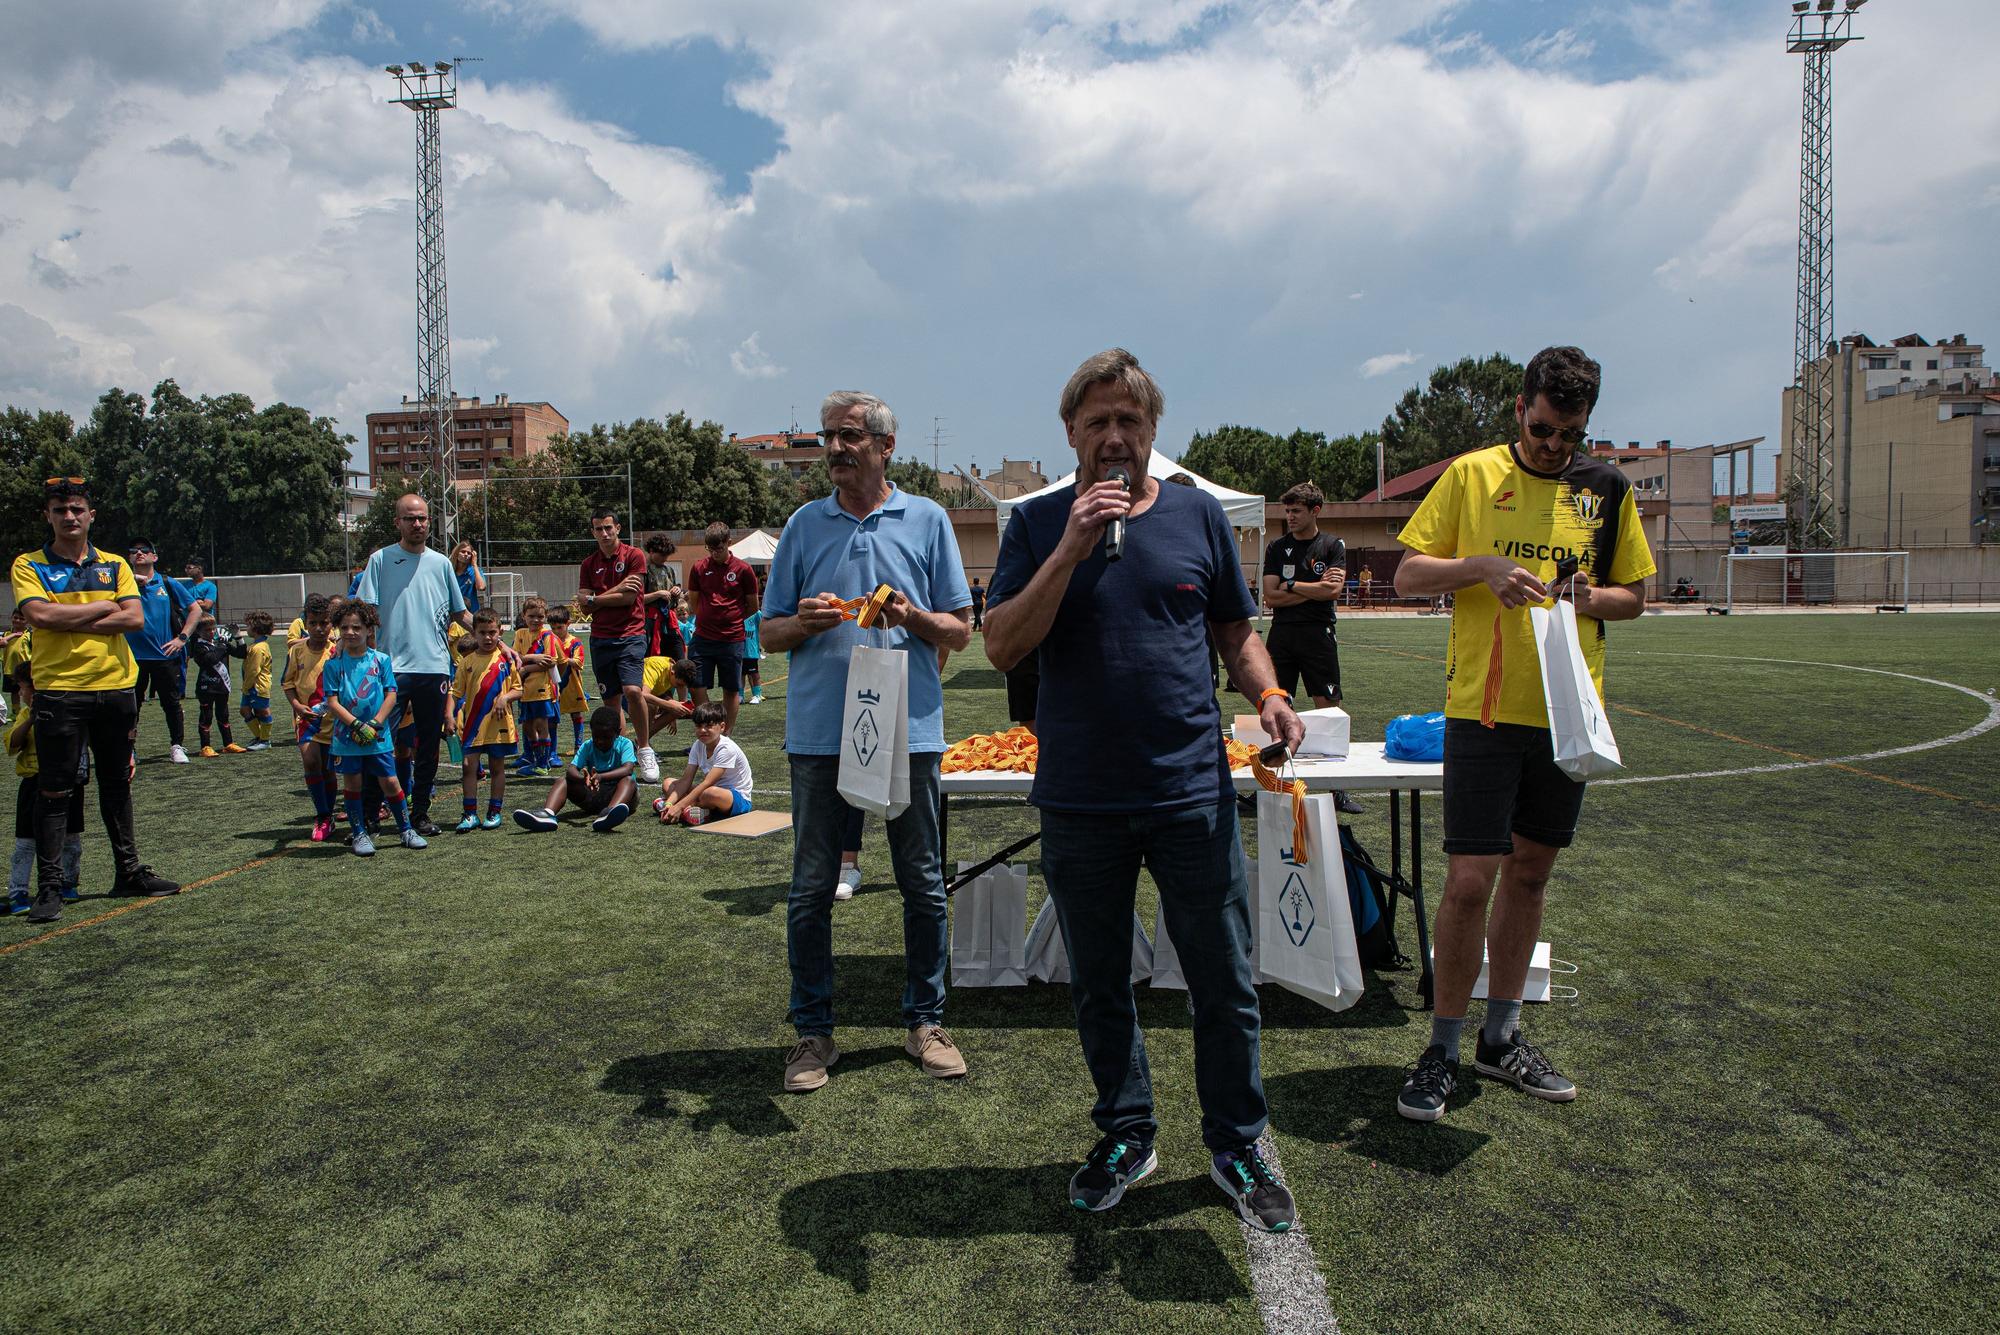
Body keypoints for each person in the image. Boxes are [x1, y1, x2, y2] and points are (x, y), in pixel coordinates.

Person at [983, 348, 1304, 1233]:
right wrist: (1074, 544)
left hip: (1188, 790)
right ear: (1072, 435)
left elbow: (1236, 632)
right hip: (1081, 798)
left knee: (1223, 978)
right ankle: (1128, 1130)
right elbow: (1003, 645)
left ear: (1154, 431)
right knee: (1099, 982)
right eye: (1098, 423)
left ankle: (1237, 1141)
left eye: (1131, 421)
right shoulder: (1039, 522)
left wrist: (1270, 693)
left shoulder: (1199, 516)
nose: (1116, 438)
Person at [1389, 345, 1655, 1123]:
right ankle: (1439, 1045)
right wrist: (1479, 567)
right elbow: (1406, 575)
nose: (1552, 446)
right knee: (1470, 879)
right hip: (1482, 709)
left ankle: (1500, 1038)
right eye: (1541, 429)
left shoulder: (1606, 489)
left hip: (1569, 715)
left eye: (1567, 434)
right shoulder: (1472, 476)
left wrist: (1588, 595)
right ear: (1519, 408)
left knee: (1531, 875)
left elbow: (1634, 596)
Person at [761, 390, 972, 1095]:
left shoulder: (929, 519)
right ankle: (813, 1032)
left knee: (921, 882)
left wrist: (911, 614)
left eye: (849, 436)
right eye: (828, 436)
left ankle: (926, 1022)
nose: (834, 448)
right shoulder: (802, 525)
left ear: (886, 446)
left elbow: (960, 631)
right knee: (811, 888)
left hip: (908, 730)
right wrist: (806, 622)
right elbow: (767, 632)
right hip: (821, 733)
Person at [10, 476, 179, 921]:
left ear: (91, 516)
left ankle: (127, 873)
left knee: (116, 785)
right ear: (47, 516)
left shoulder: (114, 565)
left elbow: (135, 619)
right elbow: (39, 615)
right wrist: (104, 609)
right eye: (60, 510)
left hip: (117, 688)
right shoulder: (29, 564)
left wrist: (65, 619)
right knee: (54, 791)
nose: (69, 517)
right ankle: (50, 888)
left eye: (77, 509)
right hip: (60, 692)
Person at [353, 494, 469, 836]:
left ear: (429, 522)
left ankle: (420, 814)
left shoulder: (441, 563)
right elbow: (365, 612)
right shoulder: (380, 560)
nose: (417, 524)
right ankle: (373, 815)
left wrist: (499, 642)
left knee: (428, 746)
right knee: (379, 742)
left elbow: (459, 612)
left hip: (434, 669)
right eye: (410, 518)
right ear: (398, 523)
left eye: (422, 518)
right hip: (391, 670)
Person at [1260, 481, 1361, 814]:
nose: (1289, 517)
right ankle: (1267, 785)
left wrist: (1293, 585)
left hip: (1319, 634)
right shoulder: (1277, 547)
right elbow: (1271, 596)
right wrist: (1311, 588)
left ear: (1314, 511)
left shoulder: (1332, 545)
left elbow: (1333, 592)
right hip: (1283, 634)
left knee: (1328, 707)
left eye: (1296, 511)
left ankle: (1337, 790)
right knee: (1275, 707)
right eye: (1287, 511)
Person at [320, 601, 426, 856]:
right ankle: (359, 833)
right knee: (354, 783)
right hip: (347, 736)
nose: (350, 632)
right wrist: (356, 724)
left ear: (369, 629)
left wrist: (376, 723)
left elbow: (391, 693)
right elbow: (332, 702)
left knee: (390, 781)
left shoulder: (381, 660)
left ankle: (406, 830)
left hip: (378, 734)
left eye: (356, 627)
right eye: (344, 627)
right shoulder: (333, 665)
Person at [576, 508, 656, 783]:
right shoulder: (588, 564)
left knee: (633, 691)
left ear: (619, 528)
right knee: (611, 703)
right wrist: (607, 594)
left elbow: (628, 597)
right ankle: (621, 757)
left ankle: (644, 749)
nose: (604, 533)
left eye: (608, 527)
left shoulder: (634, 555)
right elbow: (583, 602)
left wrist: (595, 600)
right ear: (593, 532)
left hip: (631, 635)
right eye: (599, 529)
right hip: (600, 638)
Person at [9, 662, 86, 915]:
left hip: (67, 781)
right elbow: (13, 744)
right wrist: (31, 719)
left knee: (70, 836)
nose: (21, 694)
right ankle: (19, 891)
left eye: (23, 689)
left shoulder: (67, 710)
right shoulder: (24, 714)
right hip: (33, 783)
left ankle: (68, 883)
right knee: (26, 840)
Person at [124, 539, 202, 764]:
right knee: (130, 707)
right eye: (134, 551)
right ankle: (129, 749)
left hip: (165, 656)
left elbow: (194, 610)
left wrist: (182, 638)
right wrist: (130, 583)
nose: (139, 553)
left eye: (145, 550)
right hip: (132, 657)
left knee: (171, 703)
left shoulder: (166, 582)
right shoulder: (122, 583)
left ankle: (177, 746)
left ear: (154, 557)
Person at [448, 609, 523, 832]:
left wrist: (505, 698)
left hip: (498, 724)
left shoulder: (506, 659)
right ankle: (470, 813)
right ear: (475, 633)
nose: (488, 637)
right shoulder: (466, 662)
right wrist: (448, 715)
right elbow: (455, 692)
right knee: (468, 766)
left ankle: (494, 811)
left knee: (496, 767)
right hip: (472, 724)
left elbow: (519, 689)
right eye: (483, 633)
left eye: (492, 632)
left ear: (500, 631)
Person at [684, 522, 760, 739]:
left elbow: (753, 606)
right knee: (696, 685)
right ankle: (710, 730)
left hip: (732, 639)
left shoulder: (743, 570)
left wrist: (732, 620)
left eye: (719, 548)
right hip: (703, 637)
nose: (715, 553)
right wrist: (709, 619)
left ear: (729, 543)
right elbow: (694, 603)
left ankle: (725, 737)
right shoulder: (699, 568)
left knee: (731, 688)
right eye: (710, 549)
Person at [513, 705, 637, 833]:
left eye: (606, 738)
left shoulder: (625, 744)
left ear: (617, 732)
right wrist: (583, 779)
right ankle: (548, 814)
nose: (600, 741)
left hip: (623, 799)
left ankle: (610, 813)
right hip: (594, 797)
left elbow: (628, 768)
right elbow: (571, 769)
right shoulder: (587, 746)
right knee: (564, 781)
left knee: (628, 780)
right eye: (596, 737)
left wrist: (601, 777)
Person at [283, 593, 338, 842]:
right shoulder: (296, 651)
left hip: (334, 720)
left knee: (329, 769)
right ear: (305, 622)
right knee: (311, 761)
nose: (318, 628)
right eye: (313, 622)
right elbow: (288, 683)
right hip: (307, 719)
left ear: (331, 623)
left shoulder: (337, 651)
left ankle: (331, 815)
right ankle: (322, 815)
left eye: (324, 622)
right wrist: (296, 705)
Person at [653, 700, 753, 825]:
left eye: (709, 726)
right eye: (699, 726)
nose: (703, 730)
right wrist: (670, 803)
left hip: (737, 799)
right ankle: (694, 811)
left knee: (709, 793)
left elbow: (707, 783)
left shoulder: (726, 748)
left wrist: (678, 806)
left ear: (722, 727)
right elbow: (685, 780)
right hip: (708, 793)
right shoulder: (698, 745)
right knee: (669, 783)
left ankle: (687, 809)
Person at [511, 596, 561, 775]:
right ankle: (535, 760)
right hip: (523, 690)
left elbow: (551, 661)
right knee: (527, 726)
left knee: (541, 725)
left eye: (540, 617)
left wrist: (525, 669)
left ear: (545, 617)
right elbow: (514, 657)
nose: (536, 620)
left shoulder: (547, 635)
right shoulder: (519, 634)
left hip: (542, 689)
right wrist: (533, 658)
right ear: (524, 616)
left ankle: (542, 763)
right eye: (531, 616)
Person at [185, 616, 246, 756]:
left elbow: (242, 654)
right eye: (207, 630)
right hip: (206, 687)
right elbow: (210, 660)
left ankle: (228, 743)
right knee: (206, 716)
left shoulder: (219, 644)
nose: (212, 632)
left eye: (213, 629)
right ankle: (205, 746)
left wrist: (238, 637)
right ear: (199, 632)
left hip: (222, 687)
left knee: (223, 715)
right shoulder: (199, 646)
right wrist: (221, 645)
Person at [547, 605, 591, 755]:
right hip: (553, 685)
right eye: (553, 628)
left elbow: (579, 663)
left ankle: (579, 747)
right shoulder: (549, 640)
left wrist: (562, 659)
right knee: (552, 718)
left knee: (576, 715)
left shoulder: (574, 642)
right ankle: (552, 750)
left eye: (560, 627)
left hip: (572, 686)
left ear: (568, 624)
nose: (556, 631)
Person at [637, 655, 697, 747]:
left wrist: (672, 710)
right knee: (652, 706)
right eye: (678, 684)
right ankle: (643, 744)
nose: (678, 687)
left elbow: (663, 689)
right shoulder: (656, 668)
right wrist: (670, 706)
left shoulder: (674, 671)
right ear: (672, 672)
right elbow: (644, 694)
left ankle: (641, 741)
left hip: (652, 692)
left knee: (679, 709)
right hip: (627, 692)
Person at [641, 534, 685, 661]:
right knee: (651, 661)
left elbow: (674, 602)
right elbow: (636, 599)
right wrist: (658, 594)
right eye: (662, 555)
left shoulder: (669, 570)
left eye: (667, 555)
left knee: (677, 658)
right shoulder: (642, 570)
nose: (665, 559)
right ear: (651, 551)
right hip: (648, 623)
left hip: (669, 621)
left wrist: (677, 592)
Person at [238, 611, 276, 750]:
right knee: (245, 710)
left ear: (255, 628)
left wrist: (246, 687)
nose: (246, 629)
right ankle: (260, 737)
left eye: (247, 626)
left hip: (257, 686)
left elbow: (254, 670)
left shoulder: (259, 648)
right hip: (250, 686)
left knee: (262, 711)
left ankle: (265, 740)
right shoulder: (256, 645)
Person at [452, 541, 486, 616]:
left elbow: (481, 587)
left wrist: (474, 564)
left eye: (469, 553)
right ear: (457, 553)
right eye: (463, 552)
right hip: (454, 613)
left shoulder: (474, 571)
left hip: (471, 613)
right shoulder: (450, 571)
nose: (466, 554)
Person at [741, 608, 764, 705]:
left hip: (751, 650)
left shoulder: (756, 613)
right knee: (740, 675)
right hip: (738, 650)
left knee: (754, 673)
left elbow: (763, 627)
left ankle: (757, 695)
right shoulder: (737, 611)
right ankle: (740, 695)